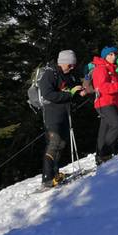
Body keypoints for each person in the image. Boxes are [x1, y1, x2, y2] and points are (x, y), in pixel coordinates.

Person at [38, 50, 86, 188]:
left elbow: (71, 93)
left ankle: (55, 173)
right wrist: (70, 93)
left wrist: (78, 92)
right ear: (62, 62)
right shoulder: (50, 73)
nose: (72, 68)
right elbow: (48, 94)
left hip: (65, 113)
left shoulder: (68, 74)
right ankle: (47, 178)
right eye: (70, 65)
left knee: (62, 143)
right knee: (54, 142)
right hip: (52, 113)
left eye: (73, 66)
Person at [92, 46, 118, 165]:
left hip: (111, 102)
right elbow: (103, 87)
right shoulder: (101, 69)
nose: (114, 57)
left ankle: (100, 155)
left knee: (104, 130)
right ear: (105, 56)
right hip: (104, 102)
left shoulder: (112, 68)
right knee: (116, 125)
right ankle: (105, 153)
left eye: (114, 54)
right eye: (110, 55)